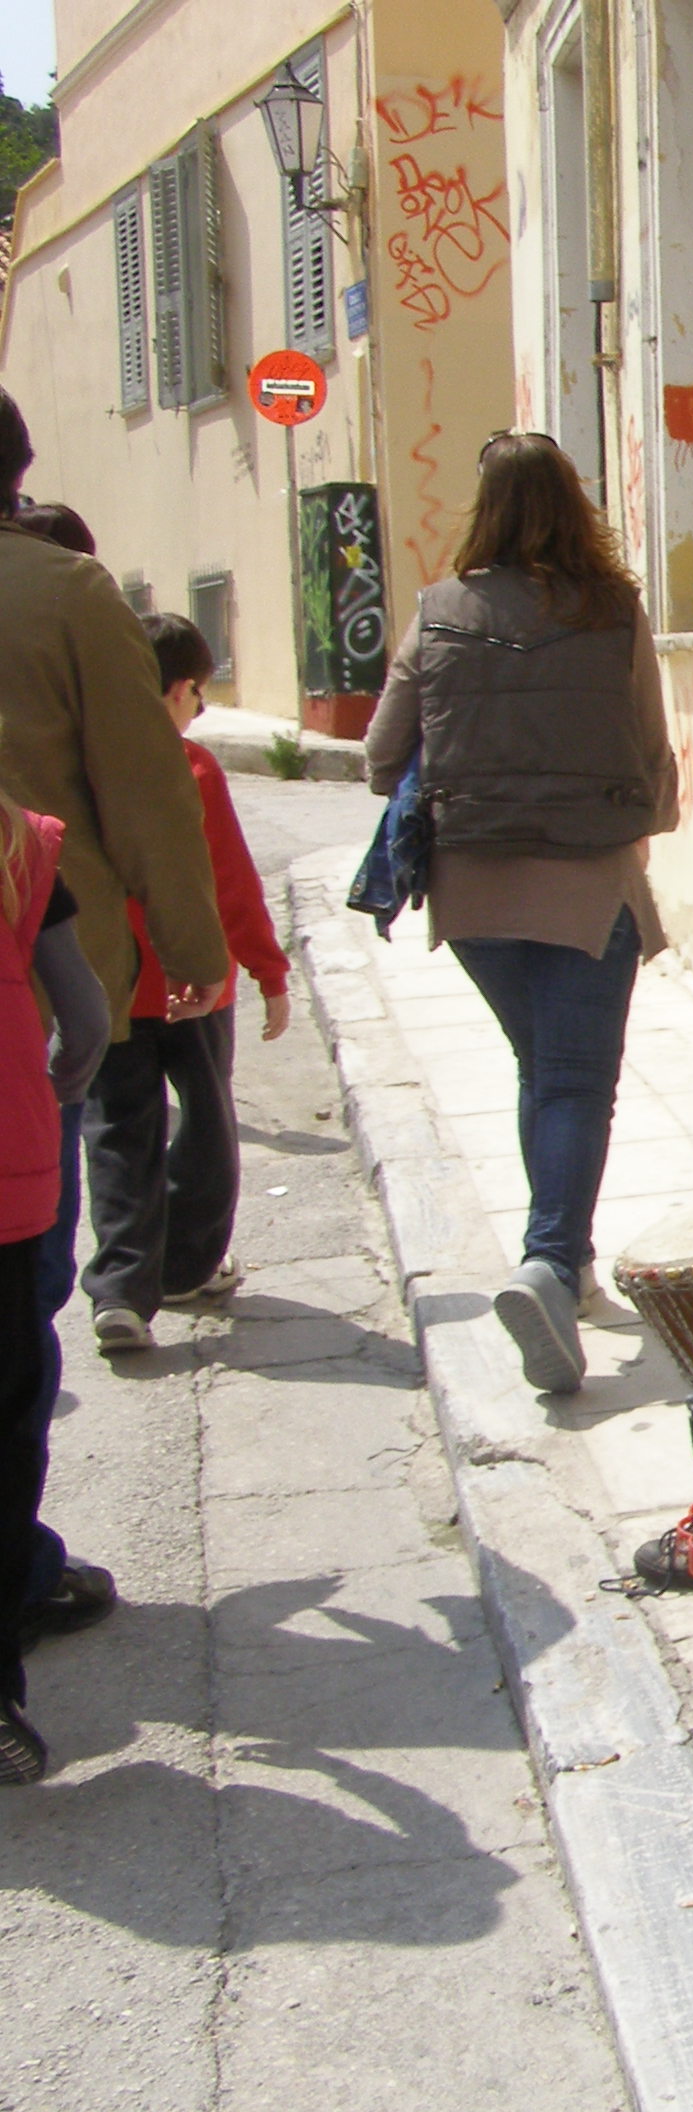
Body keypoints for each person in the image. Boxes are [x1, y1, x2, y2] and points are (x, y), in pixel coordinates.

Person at [363, 431, 679, 1395]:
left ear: (484, 509)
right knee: (578, 1085)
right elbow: (654, 762)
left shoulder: (437, 613)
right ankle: (548, 1260)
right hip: (588, 886)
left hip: (473, 890)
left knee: (541, 1071)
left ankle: (565, 1264)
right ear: (573, 501)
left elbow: (383, 755)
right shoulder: (613, 611)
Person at [0, 396, 229, 1655]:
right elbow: (146, 786)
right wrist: (189, 957)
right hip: (38, 979)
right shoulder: (64, 592)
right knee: (21, 1278)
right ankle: (19, 1568)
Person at [81, 613, 291, 1352]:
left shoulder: (84, 767)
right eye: (197, 695)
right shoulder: (191, 768)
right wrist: (269, 970)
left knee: (116, 1133)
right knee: (206, 1128)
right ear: (176, 691)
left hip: (109, 984)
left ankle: (121, 1287)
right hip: (194, 982)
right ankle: (188, 1264)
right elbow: (229, 882)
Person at [0, 793, 114, 1781]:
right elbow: (82, 1018)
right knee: (9, 1417)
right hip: (9, 1177)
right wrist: (53, 1105)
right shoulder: (20, 846)